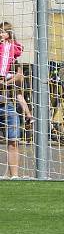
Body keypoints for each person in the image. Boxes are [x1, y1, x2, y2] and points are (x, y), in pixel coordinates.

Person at [0, 22, 23, 178]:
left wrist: (5, 81)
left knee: (13, 141)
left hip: (6, 104)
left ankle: (14, 176)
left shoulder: (12, 54)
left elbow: (20, 79)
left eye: (2, 32)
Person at [0, 23, 32, 128]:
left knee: (8, 90)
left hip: (8, 74)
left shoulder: (6, 46)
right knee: (19, 95)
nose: (0, 34)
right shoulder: (14, 45)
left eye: (2, 32)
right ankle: (29, 115)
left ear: (8, 33)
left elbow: (4, 62)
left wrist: (2, 77)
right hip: (14, 74)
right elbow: (18, 51)